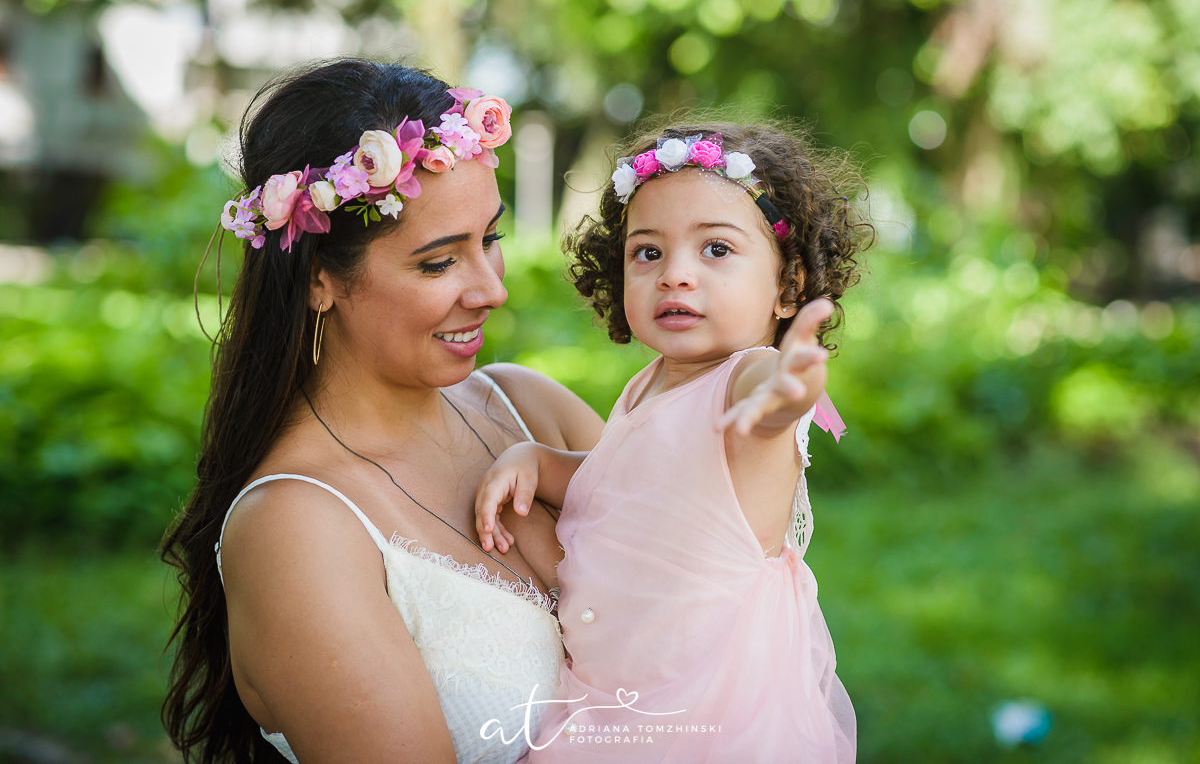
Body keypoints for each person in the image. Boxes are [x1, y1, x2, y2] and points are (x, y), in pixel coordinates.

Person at [160, 60, 603, 764]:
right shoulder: (296, 527)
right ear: (319, 279)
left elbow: (714, 557)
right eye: (438, 263)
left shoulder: (529, 409)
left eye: (489, 239)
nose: (492, 289)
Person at [474, 121, 868, 762]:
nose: (675, 275)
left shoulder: (746, 379)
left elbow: (764, 414)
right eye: (648, 252)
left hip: (703, 706)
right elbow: (623, 484)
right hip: (614, 693)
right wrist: (537, 460)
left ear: (789, 286)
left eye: (716, 250)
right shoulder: (651, 383)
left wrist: (786, 395)